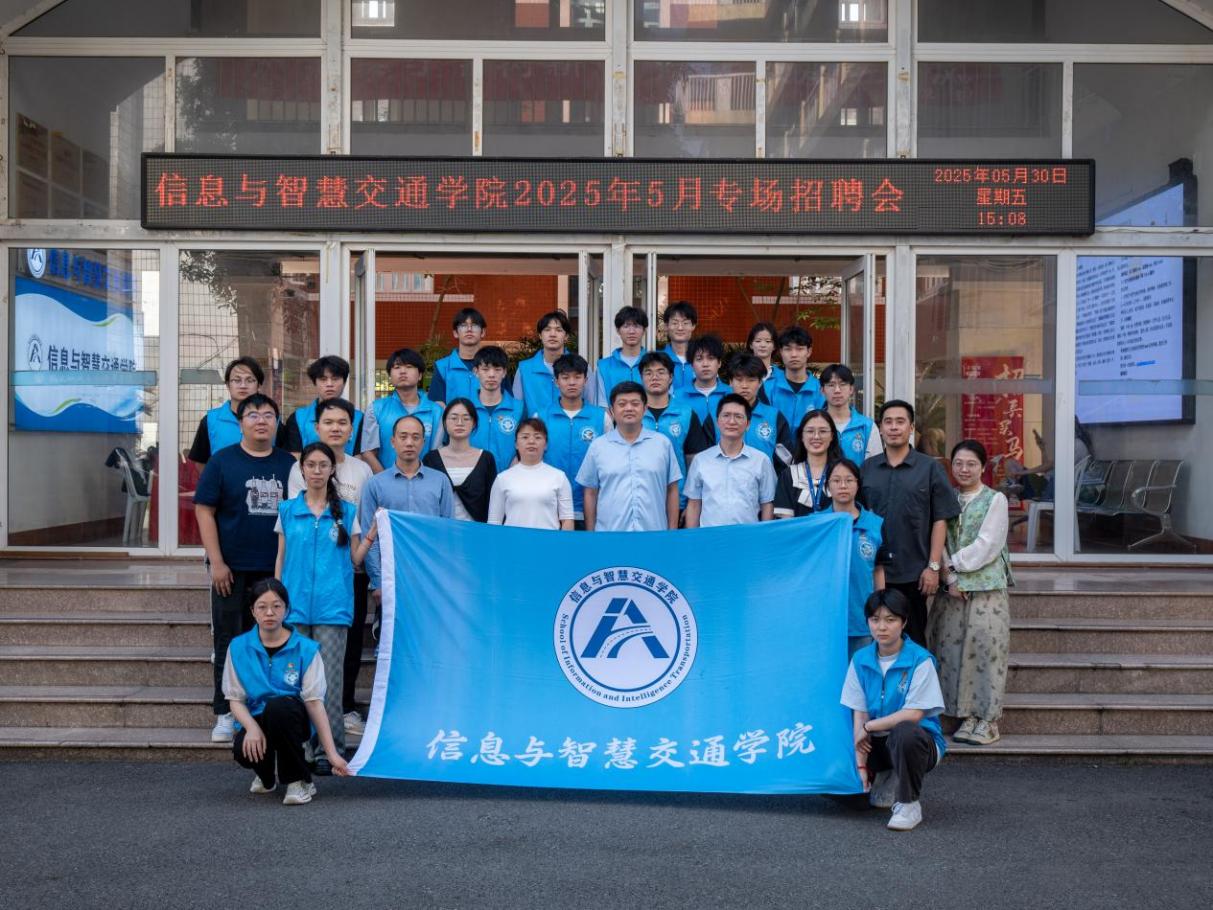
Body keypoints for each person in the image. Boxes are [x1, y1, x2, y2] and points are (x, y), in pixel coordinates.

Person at [193, 393, 296, 744]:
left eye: (268, 415)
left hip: (274, 570)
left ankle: (264, 707)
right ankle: (225, 711)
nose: (261, 421)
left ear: (277, 423)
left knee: (273, 639)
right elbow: (204, 510)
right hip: (232, 570)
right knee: (229, 640)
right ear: (240, 423)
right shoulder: (222, 461)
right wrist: (217, 562)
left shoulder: (289, 465)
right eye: (253, 415)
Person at [285, 397, 373, 738]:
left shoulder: (361, 470)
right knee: (300, 670)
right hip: (301, 584)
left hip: (342, 580)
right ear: (317, 427)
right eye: (329, 422)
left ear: (351, 429)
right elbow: (292, 534)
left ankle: (340, 719)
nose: (336, 428)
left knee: (342, 657)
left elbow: (361, 528)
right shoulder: (298, 474)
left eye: (342, 422)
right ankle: (302, 739)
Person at [274, 442, 363, 775]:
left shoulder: (348, 511)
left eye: (323, 465)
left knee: (329, 683)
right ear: (302, 470)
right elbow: (281, 557)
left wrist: (370, 537)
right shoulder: (287, 510)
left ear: (332, 470)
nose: (316, 471)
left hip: (332, 607)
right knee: (295, 681)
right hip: (294, 608)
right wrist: (276, 600)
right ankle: (300, 748)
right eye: (310, 465)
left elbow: (355, 559)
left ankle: (330, 750)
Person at [224, 579, 350, 805]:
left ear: (287, 610)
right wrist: (251, 728)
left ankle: (297, 781)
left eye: (277, 606)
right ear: (252, 611)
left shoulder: (306, 649)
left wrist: (332, 754)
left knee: (278, 708)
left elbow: (314, 703)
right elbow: (235, 699)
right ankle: (266, 778)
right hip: (258, 717)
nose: (269, 613)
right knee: (242, 749)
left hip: (293, 718)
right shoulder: (238, 647)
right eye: (262, 607)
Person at [928, 439, 1013, 747]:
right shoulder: (946, 497)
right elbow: (938, 538)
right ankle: (960, 714)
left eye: (971, 464)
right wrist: (948, 576)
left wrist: (955, 566)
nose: (964, 469)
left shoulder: (995, 499)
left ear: (982, 467)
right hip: (950, 588)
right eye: (958, 463)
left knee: (986, 651)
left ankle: (986, 719)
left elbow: (988, 543)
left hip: (986, 588)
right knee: (949, 650)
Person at [841, 588, 946, 832]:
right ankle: (882, 777)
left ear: (904, 622)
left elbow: (914, 715)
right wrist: (860, 766)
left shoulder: (920, 660)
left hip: (918, 742)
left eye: (890, 620)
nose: (882, 627)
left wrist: (869, 727)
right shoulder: (860, 659)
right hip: (875, 741)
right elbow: (859, 712)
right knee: (847, 792)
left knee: (904, 732)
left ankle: (908, 805)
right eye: (875, 619)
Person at [861, 400, 960, 646]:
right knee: (874, 639)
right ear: (880, 428)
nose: (894, 427)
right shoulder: (867, 469)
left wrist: (933, 567)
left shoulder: (930, 468)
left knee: (913, 639)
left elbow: (940, 519)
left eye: (900, 421)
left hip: (914, 573)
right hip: (872, 570)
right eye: (888, 422)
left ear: (912, 428)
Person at [358, 415, 455, 596]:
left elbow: (448, 533)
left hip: (430, 577)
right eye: (403, 437)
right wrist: (378, 581)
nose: (409, 443)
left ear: (423, 442)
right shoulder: (375, 484)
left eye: (415, 437)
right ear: (392, 441)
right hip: (390, 577)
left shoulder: (440, 481)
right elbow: (369, 535)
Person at [577, 381, 681, 532]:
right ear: (612, 411)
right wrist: (592, 534)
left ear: (645, 409)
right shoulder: (598, 447)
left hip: (654, 533)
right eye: (622, 404)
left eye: (635, 403)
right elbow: (590, 492)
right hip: (610, 534)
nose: (629, 408)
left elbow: (672, 490)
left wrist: (672, 532)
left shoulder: (662, 444)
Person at [540, 353, 611, 530]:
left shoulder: (601, 418)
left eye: (577, 377)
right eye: (565, 378)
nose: (572, 382)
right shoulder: (541, 417)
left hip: (590, 508)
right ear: (556, 382)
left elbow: (609, 462)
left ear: (585, 380)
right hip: (549, 508)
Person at [683, 394, 776, 528]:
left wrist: (764, 536)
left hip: (748, 536)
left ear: (748, 424)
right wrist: (692, 538)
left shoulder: (761, 461)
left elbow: (767, 504)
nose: (732, 421)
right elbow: (694, 504)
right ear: (717, 422)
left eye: (738, 416)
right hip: (710, 537)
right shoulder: (701, 460)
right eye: (726, 415)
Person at [827, 459, 889, 655]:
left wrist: (880, 607)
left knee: (862, 670)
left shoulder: (875, 524)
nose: (843, 485)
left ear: (858, 484)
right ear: (828, 486)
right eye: (836, 480)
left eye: (849, 480)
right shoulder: (817, 524)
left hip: (862, 617)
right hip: (825, 620)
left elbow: (878, 570)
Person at [361, 347, 443, 472]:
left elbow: (436, 454)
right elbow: (368, 453)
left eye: (409, 367)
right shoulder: (376, 408)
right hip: (385, 481)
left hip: (425, 481)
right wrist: (386, 480)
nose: (403, 371)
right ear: (390, 375)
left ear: (420, 375)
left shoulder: (436, 411)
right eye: (397, 367)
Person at [488, 418, 575, 530]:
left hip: (548, 540)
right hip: (513, 540)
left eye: (538, 437)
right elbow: (494, 522)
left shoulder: (559, 477)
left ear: (546, 444)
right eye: (525, 437)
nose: (531, 441)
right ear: (516, 444)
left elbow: (567, 520)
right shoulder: (502, 478)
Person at [422, 398, 498, 523]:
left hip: (476, 531)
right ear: (445, 422)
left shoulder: (486, 459)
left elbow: (494, 503)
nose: (459, 423)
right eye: (454, 418)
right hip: (440, 531)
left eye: (466, 418)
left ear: (474, 423)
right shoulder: (431, 459)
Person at [278, 355, 365, 458]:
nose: (329, 384)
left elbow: (359, 457)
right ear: (315, 382)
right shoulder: (298, 418)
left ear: (344, 382)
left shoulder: (359, 418)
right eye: (323, 379)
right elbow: (295, 457)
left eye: (335, 379)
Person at [639, 351, 695, 509]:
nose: (654, 377)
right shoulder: (632, 414)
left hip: (678, 501)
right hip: (640, 502)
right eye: (648, 373)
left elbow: (693, 462)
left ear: (670, 377)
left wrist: (691, 503)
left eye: (661, 372)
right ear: (641, 378)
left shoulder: (686, 414)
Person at [721, 352, 794, 469]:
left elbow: (786, 460)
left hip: (765, 480)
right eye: (739, 380)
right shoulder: (716, 416)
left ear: (760, 382)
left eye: (751, 380)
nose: (745, 386)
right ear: (730, 382)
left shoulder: (774, 417)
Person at [187, 356, 264, 465]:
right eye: (237, 380)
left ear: (259, 386)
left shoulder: (272, 420)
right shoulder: (210, 421)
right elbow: (200, 463)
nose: (243, 385)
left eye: (250, 380)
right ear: (228, 385)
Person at [774, 409, 843, 519]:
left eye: (823, 431)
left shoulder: (843, 473)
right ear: (801, 436)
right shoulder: (788, 476)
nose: (816, 436)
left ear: (832, 436)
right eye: (810, 431)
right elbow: (786, 524)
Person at [469, 346, 526, 473]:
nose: (491, 375)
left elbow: (527, 442)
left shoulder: (519, 409)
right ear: (476, 372)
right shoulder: (465, 408)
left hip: (509, 478)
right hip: (471, 480)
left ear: (504, 372)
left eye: (497, 369)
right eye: (485, 369)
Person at [764, 326, 824, 431]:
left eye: (799, 349)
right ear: (781, 352)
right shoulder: (767, 388)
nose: (794, 355)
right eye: (788, 349)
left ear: (809, 351)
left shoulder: (821, 390)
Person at [820, 363, 882, 463]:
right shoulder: (813, 425)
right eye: (831, 385)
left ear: (851, 389)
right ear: (822, 390)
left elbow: (875, 466)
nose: (837, 390)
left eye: (842, 384)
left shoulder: (867, 426)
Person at [512, 310, 570, 416]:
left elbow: (590, 406)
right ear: (540, 335)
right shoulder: (524, 369)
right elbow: (516, 411)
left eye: (558, 330)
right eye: (547, 330)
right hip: (535, 426)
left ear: (566, 336)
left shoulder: (580, 368)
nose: (552, 334)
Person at [429, 307, 486, 405]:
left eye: (474, 325)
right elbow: (437, 406)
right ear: (455, 333)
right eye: (463, 325)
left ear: (483, 332)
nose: (469, 329)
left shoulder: (495, 366)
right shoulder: (442, 367)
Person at [592, 305, 648, 405]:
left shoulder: (654, 364)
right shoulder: (604, 366)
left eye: (636, 326)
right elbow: (602, 404)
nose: (631, 331)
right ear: (618, 330)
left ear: (644, 330)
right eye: (626, 326)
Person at [683, 334, 731, 427]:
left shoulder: (731, 394)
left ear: (719, 363)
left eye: (711, 358)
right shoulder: (677, 396)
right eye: (699, 359)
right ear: (692, 365)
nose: (705, 364)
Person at [660, 300, 697, 393]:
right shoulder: (658, 360)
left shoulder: (702, 360)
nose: (680, 328)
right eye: (675, 323)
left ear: (693, 326)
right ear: (666, 326)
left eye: (685, 323)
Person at [747, 321, 782, 385]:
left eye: (768, 341)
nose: (763, 345)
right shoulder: (742, 373)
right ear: (751, 345)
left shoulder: (782, 376)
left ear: (774, 346)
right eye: (758, 341)